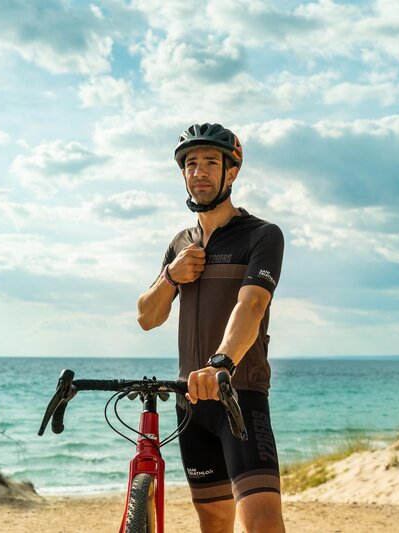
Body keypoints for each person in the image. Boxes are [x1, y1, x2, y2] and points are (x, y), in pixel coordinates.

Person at [137, 123, 286, 532]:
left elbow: (252, 305)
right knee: (214, 523)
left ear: (231, 172)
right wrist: (171, 276)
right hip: (190, 403)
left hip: (239, 395)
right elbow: (147, 317)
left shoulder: (261, 235)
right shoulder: (180, 244)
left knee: (262, 522)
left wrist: (222, 362)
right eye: (190, 164)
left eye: (210, 163)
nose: (199, 172)